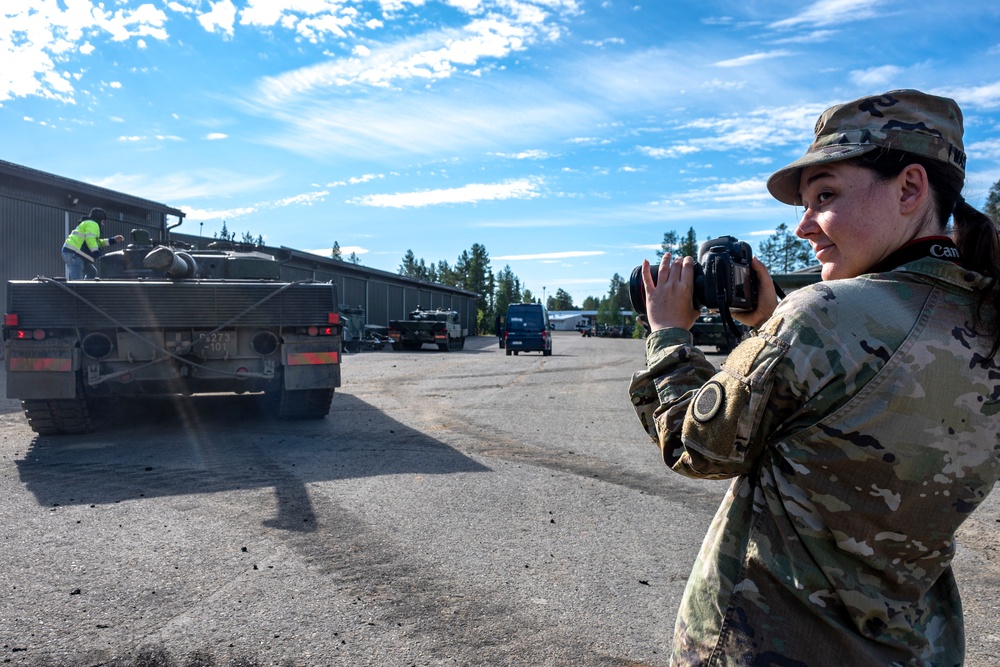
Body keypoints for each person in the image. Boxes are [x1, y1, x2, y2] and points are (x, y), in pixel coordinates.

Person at [629, 89, 1000, 666]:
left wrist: (669, 335)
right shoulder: (985, 317)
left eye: (824, 195)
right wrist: (769, 329)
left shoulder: (822, 318)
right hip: (913, 647)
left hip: (779, 646)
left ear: (909, 189)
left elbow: (693, 444)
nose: (804, 226)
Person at [61, 207, 124, 279]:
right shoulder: (93, 224)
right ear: (100, 219)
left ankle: (85, 288)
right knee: (77, 281)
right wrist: (96, 253)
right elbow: (90, 239)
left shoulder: (89, 224)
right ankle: (79, 289)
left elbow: (96, 242)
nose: (103, 225)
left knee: (92, 272)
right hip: (74, 254)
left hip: (76, 254)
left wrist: (112, 240)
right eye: (103, 222)